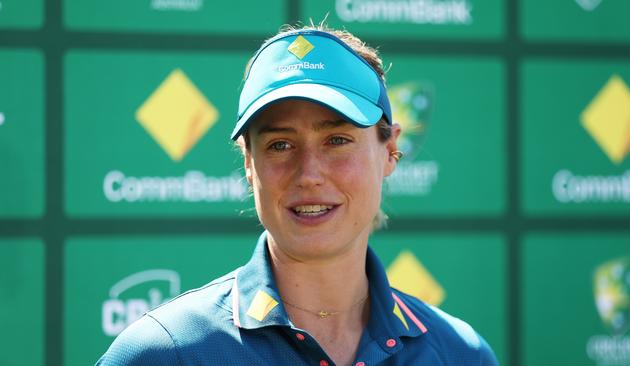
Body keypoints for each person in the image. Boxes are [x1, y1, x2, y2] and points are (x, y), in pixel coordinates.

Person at [96, 24, 499, 366]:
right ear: (249, 163)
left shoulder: (460, 353)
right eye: (280, 145)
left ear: (391, 149)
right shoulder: (163, 353)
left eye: (337, 139)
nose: (309, 174)